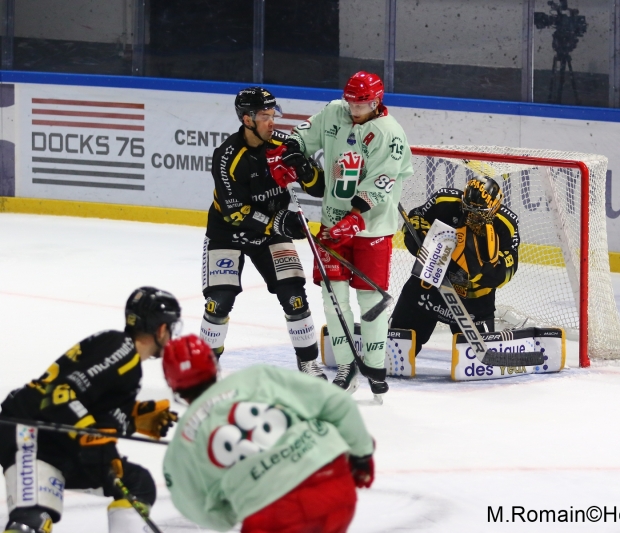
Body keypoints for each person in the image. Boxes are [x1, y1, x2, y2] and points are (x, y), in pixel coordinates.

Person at [268, 71, 413, 397]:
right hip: (333, 226)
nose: (353, 108)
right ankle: (347, 367)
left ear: (376, 101)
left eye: (360, 104)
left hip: (372, 229)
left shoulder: (390, 134)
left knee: (370, 300)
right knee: (332, 300)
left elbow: (382, 181)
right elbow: (304, 134)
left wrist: (356, 219)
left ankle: (375, 365)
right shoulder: (335, 112)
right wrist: (290, 152)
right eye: (351, 101)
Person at [0, 287, 182, 533]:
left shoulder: (127, 363)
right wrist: (92, 436)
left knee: (137, 484)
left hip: (60, 441)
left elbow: (89, 402)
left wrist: (134, 417)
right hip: (29, 431)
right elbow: (60, 394)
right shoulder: (121, 349)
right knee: (31, 520)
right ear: (162, 329)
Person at [161, 334, 375, 533]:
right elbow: (337, 401)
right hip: (334, 487)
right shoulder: (256, 378)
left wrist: (235, 512)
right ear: (212, 365)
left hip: (272, 516)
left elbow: (195, 505)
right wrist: (362, 454)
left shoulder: (181, 444)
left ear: (174, 386)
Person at [200, 86, 326, 380]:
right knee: (218, 302)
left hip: (271, 232)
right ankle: (205, 368)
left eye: (273, 115)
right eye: (265, 116)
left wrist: (307, 172)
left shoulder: (284, 145)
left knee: (294, 296)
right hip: (227, 233)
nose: (273, 122)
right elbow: (235, 212)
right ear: (247, 119)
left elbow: (318, 189)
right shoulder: (227, 156)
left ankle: (307, 362)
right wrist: (280, 223)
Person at [390, 177, 520, 354]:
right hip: (428, 290)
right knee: (394, 353)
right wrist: (419, 239)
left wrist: (481, 270)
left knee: (477, 366)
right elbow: (414, 217)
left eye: (480, 213)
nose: (473, 217)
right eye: (469, 210)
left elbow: (509, 268)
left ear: (495, 208)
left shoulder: (506, 224)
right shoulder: (445, 201)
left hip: (474, 303)